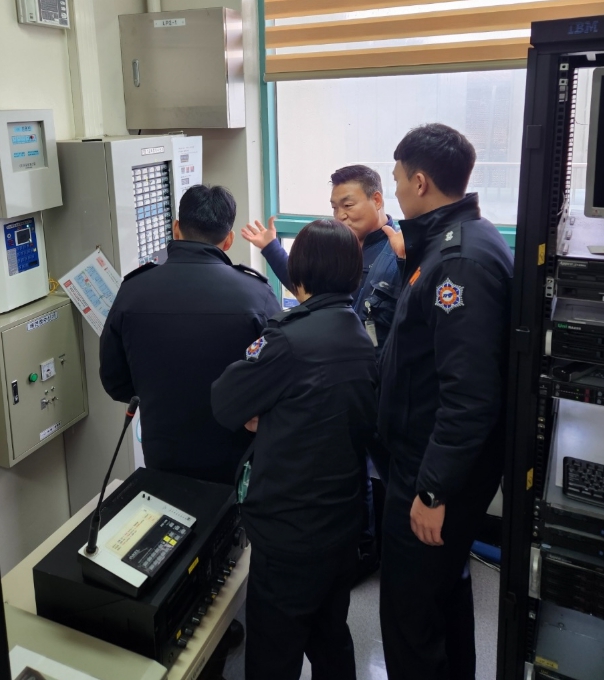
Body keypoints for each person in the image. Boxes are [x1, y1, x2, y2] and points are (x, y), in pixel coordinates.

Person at [211, 219, 378, 680]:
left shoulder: (287, 339)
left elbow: (225, 402)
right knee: (330, 635)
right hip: (342, 518)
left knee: (273, 650)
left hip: (290, 529)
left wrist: (265, 412)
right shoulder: (359, 333)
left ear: (298, 272)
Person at [377, 123, 513, 680]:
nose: (396, 191)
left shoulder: (458, 262)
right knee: (444, 594)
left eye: (397, 180)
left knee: (409, 617)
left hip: (432, 471)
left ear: (421, 182)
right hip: (431, 461)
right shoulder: (458, 240)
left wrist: (432, 489)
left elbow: (469, 394)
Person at [242, 164, 399, 574]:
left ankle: (368, 550)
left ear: (377, 199)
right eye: (334, 207)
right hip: (340, 382)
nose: (340, 214)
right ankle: (356, 549)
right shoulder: (343, 246)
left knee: (376, 475)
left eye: (348, 204)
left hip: (379, 388)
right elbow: (309, 288)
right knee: (350, 469)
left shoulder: (398, 252)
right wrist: (272, 249)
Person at [99, 183, 281, 484]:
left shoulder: (133, 291)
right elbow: (279, 379)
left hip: (164, 453)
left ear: (176, 229)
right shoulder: (256, 294)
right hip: (238, 456)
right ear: (229, 239)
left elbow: (115, 382)